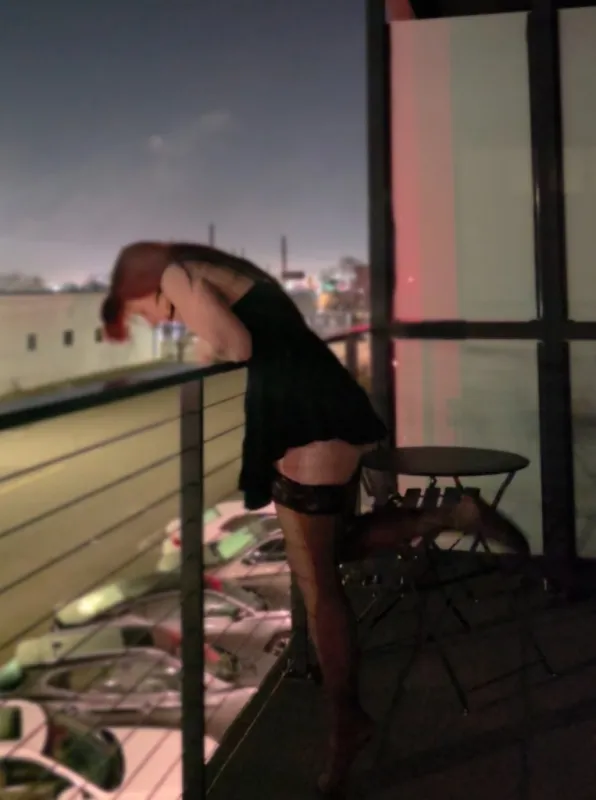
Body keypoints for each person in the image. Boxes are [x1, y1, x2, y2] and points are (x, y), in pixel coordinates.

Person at [100, 241, 493, 795]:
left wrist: (199, 331)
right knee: (329, 553)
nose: (149, 319)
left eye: (137, 310)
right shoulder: (212, 274)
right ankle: (450, 515)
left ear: (142, 284)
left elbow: (236, 344)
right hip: (312, 409)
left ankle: (347, 725)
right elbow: (247, 338)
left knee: (320, 587)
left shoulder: (177, 275)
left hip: (305, 421)